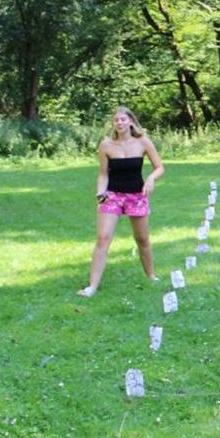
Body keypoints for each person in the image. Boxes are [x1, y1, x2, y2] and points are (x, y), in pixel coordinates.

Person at [77, 106, 164, 297]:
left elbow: (159, 167)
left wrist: (150, 179)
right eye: (116, 120)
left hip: (136, 195)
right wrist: (100, 192)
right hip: (112, 195)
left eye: (123, 119)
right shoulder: (106, 145)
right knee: (103, 238)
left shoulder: (143, 142)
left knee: (142, 239)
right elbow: (103, 174)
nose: (119, 123)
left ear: (131, 121)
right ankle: (92, 287)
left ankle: (151, 276)